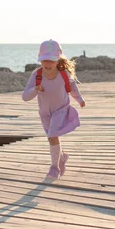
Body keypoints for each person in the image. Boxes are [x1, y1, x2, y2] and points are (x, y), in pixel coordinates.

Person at [22, 40, 86, 179]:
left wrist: (80, 100)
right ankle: (62, 157)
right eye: (44, 60)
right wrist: (35, 90)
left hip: (61, 110)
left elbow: (73, 88)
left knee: (52, 136)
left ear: (58, 60)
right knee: (52, 138)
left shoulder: (64, 75)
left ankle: (54, 168)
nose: (48, 64)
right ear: (40, 60)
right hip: (45, 113)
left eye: (51, 60)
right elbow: (25, 97)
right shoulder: (37, 75)